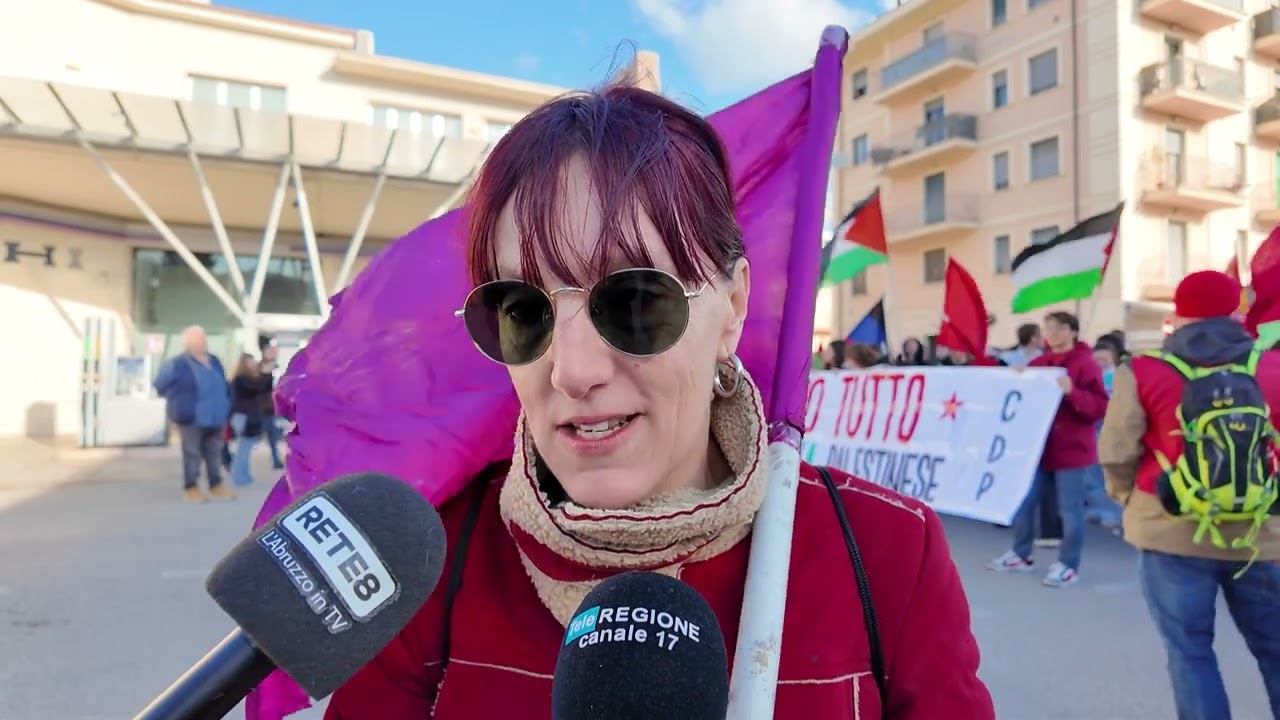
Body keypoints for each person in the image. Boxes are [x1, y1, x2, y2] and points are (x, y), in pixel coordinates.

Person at [324, 85, 993, 718]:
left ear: (732, 308)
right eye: (523, 311)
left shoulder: (888, 554)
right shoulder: (431, 566)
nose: (573, 372)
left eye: (634, 301)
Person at [1100, 270, 1280, 719]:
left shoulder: (1142, 370)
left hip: (1169, 532)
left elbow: (1118, 451)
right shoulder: (1272, 366)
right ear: (1236, 310)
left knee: (1191, 653)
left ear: (1178, 314)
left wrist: (1129, 502)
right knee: (1276, 651)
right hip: (1261, 535)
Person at [987, 311, 1108, 587]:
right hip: (1038, 449)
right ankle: (1021, 553)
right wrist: (1020, 377)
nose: (1052, 333)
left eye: (1058, 328)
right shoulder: (1040, 363)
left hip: (1072, 450)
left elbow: (1099, 406)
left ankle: (1068, 564)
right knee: (1025, 501)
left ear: (1072, 331)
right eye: (1048, 328)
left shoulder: (1085, 365)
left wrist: (1072, 393)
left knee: (1069, 509)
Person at [152, 325, 233, 503]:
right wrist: (179, 402)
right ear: (188, 343)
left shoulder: (215, 361)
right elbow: (159, 385)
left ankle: (216, 485)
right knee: (192, 454)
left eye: (203, 338)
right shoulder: (177, 363)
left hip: (217, 416)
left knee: (215, 453)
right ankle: (191, 488)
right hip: (192, 418)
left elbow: (224, 383)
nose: (203, 342)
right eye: (198, 339)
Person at [229, 353, 273, 487]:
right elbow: (254, 388)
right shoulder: (241, 379)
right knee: (244, 447)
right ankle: (238, 476)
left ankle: (244, 475)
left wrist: (267, 375)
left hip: (250, 416)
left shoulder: (252, 378)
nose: (253, 364)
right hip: (243, 416)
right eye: (250, 362)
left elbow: (264, 388)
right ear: (244, 363)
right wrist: (265, 374)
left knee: (246, 447)